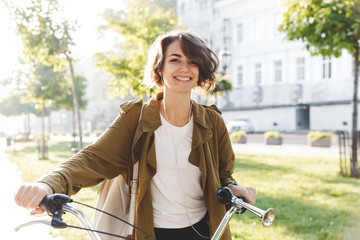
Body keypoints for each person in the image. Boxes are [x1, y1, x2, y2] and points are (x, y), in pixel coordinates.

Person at [14, 31, 256, 240]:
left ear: (200, 70)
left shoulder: (213, 121)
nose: (185, 68)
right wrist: (46, 184)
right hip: (151, 231)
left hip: (205, 231)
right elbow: (92, 158)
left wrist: (234, 189)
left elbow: (224, 174)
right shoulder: (136, 118)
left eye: (193, 62)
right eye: (175, 59)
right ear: (159, 68)